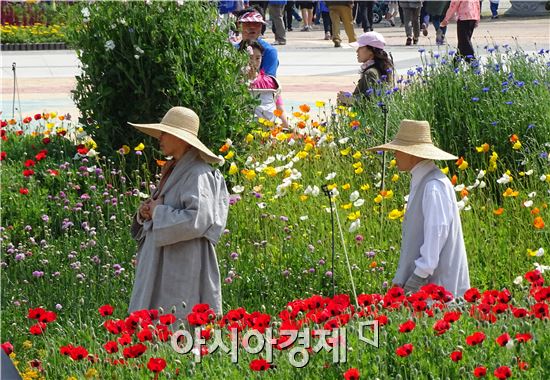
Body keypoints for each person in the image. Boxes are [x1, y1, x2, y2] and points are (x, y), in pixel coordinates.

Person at [128, 107, 229, 321]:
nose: (160, 138)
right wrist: (146, 212)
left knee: (178, 320)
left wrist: (159, 211)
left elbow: (198, 220)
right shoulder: (175, 169)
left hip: (183, 261)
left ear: (180, 138)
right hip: (164, 258)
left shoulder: (197, 173)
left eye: (165, 133)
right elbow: (166, 207)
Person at [367, 120, 470, 297]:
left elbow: (436, 235)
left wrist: (417, 278)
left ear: (412, 154)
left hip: (437, 290)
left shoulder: (433, 186)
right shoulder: (424, 181)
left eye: (398, 150)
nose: (395, 156)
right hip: (429, 288)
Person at [337, 31, 394, 105]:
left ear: (371, 50)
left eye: (360, 47)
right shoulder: (381, 68)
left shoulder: (370, 73)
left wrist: (348, 100)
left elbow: (372, 101)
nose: (357, 51)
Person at [242, 40, 289, 128]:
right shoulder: (234, 83)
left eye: (258, 58)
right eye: (250, 57)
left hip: (267, 129)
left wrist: (287, 127)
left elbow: (279, 107)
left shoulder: (270, 82)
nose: (253, 62)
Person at [235, 7, 279, 76]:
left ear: (261, 27)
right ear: (239, 25)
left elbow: (270, 80)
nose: (252, 27)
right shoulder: (232, 49)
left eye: (257, 24)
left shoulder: (269, 51)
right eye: (248, 23)